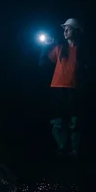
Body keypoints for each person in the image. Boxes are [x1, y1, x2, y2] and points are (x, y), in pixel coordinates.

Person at [39, 18, 88, 158]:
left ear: (76, 31)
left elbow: (88, 69)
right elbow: (43, 63)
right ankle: (61, 148)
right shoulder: (60, 48)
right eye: (64, 28)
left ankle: (75, 150)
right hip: (57, 88)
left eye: (69, 28)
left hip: (75, 89)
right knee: (58, 121)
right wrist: (46, 46)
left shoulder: (83, 50)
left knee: (75, 121)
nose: (65, 31)